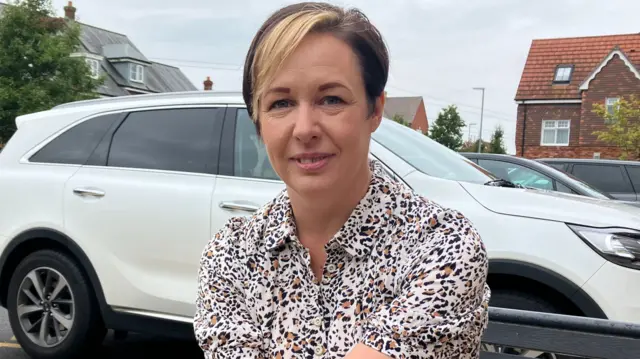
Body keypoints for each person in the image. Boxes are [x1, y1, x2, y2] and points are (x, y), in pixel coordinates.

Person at [193, 2, 491, 358]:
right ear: (258, 123)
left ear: (375, 109)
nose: (304, 129)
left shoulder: (441, 247)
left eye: (331, 99)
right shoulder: (231, 256)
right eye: (280, 103)